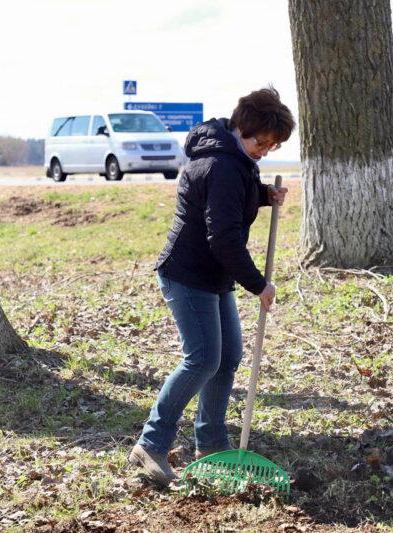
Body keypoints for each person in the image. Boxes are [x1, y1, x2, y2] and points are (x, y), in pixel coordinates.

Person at [129, 87, 295, 485]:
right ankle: (150, 444)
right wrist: (258, 284)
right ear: (242, 128)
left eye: (272, 146)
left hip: (214, 274)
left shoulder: (234, 156)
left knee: (229, 354)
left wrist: (263, 195)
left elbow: (229, 200)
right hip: (188, 274)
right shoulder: (221, 164)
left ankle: (212, 444)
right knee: (203, 358)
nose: (264, 151)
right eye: (260, 142)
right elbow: (222, 237)